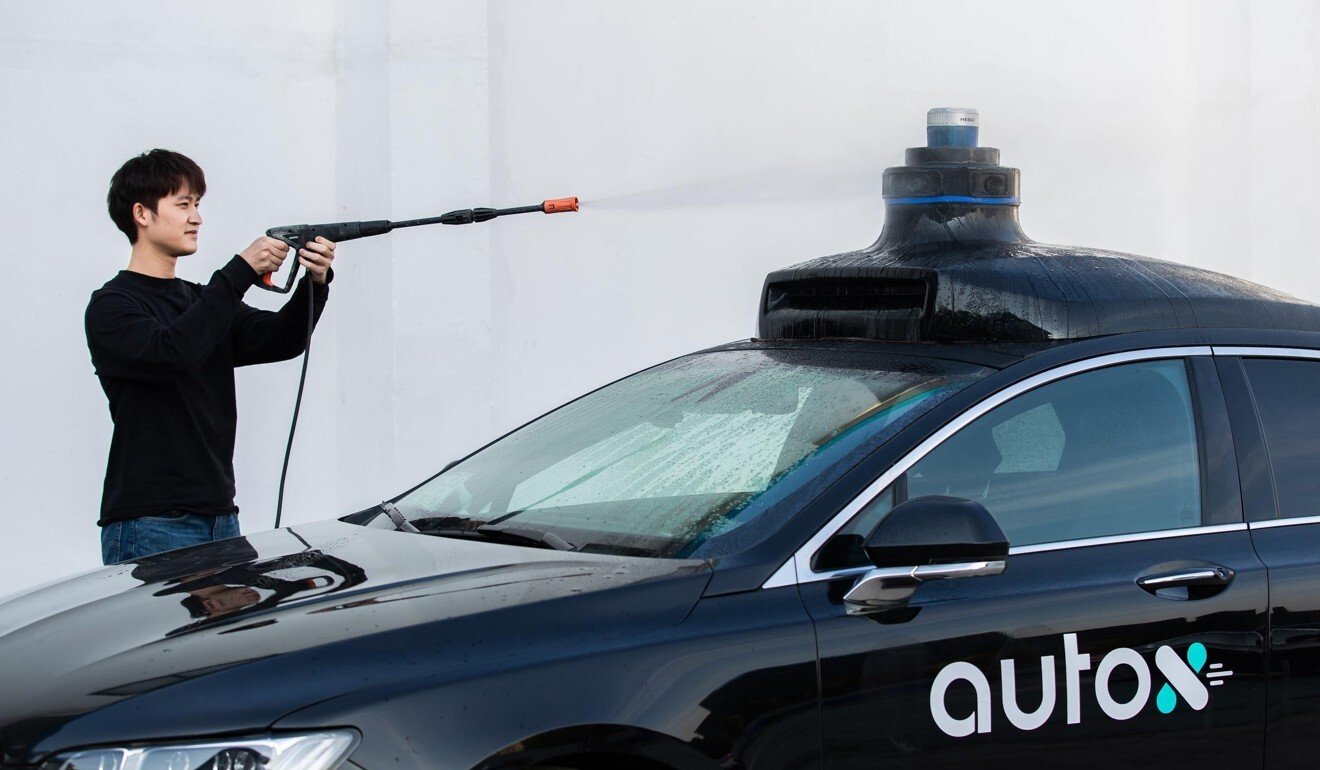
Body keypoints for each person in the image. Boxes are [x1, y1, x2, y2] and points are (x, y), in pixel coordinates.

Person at [85, 149, 337, 564]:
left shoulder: (201, 300)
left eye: (197, 205)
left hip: (221, 519)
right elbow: (172, 353)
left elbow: (281, 340)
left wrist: (315, 280)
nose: (196, 217)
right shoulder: (113, 306)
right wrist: (238, 272)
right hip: (151, 525)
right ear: (141, 214)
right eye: (183, 204)